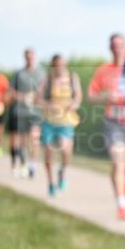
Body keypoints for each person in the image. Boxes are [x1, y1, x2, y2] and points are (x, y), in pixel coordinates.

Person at [87, 33, 125, 220]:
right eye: (114, 45)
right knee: (118, 162)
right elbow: (91, 95)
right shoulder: (103, 70)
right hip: (113, 123)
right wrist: (105, 97)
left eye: (121, 45)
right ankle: (121, 203)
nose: (117, 48)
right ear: (110, 48)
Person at [37, 54, 82, 196]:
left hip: (66, 120)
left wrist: (74, 105)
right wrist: (47, 105)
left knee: (65, 150)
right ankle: (50, 183)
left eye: (61, 64)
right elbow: (38, 98)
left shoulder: (72, 77)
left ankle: (62, 171)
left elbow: (78, 96)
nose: (59, 68)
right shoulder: (47, 79)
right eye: (56, 65)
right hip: (50, 121)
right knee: (49, 152)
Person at [7, 48, 44, 178]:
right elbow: (11, 90)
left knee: (34, 138)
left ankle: (32, 164)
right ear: (24, 57)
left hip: (35, 112)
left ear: (34, 57)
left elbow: (44, 90)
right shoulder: (19, 74)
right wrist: (22, 97)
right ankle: (23, 162)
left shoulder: (41, 73)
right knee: (22, 140)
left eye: (31, 56)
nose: (29, 58)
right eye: (27, 56)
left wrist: (37, 98)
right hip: (20, 111)